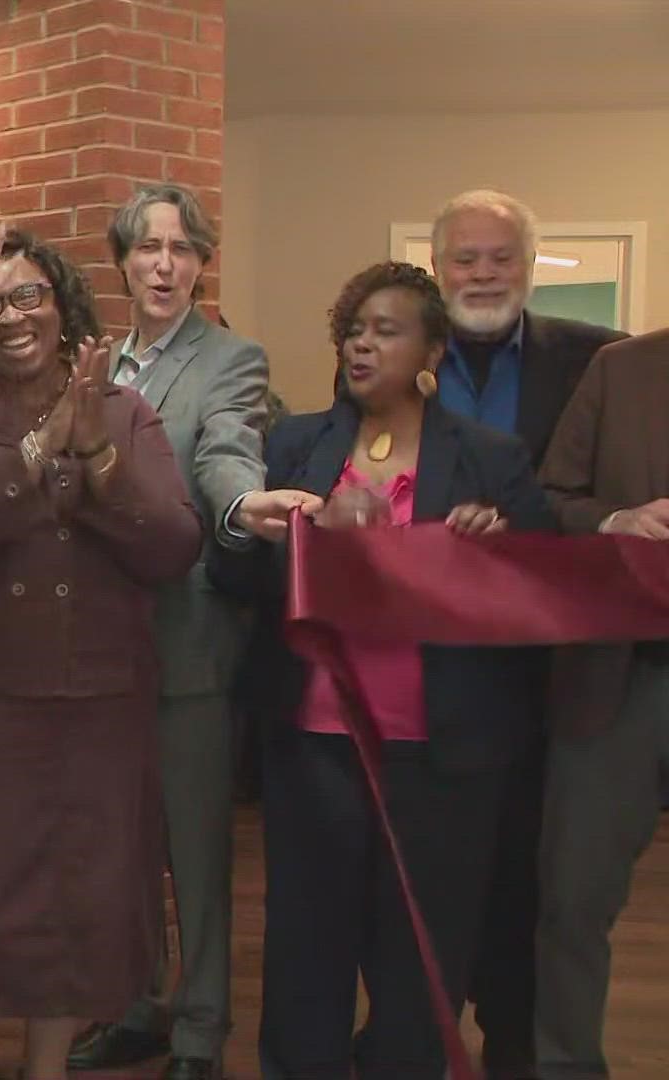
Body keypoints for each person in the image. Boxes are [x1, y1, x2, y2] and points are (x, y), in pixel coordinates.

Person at [214, 261, 556, 1079]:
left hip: (443, 751)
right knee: (308, 942)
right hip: (315, 743)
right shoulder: (296, 444)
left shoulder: (489, 458)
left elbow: (543, 590)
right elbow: (236, 583)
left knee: (421, 946)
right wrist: (294, 535)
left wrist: (492, 549)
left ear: (431, 349)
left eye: (386, 330)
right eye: (354, 330)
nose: (363, 344)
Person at [0, 228, 201, 1080]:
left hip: (98, 708)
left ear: (64, 312)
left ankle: (47, 1070)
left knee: (78, 909)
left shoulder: (127, 412)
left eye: (31, 295)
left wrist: (97, 455)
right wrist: (32, 455)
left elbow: (173, 548)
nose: (14, 315)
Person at [427, 190, 627, 1080]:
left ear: (529, 264)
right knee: (440, 867)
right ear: (438, 269)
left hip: (558, 665)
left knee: (538, 875)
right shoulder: (398, 351)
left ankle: (516, 1043)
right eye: (464, 259)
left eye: (499, 257)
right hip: (434, 661)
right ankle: (423, 1030)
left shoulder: (598, 361)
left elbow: (597, 496)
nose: (481, 274)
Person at [69, 184, 267, 1080]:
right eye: (149, 248)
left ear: (200, 264)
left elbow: (226, 450)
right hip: (101, 649)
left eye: (183, 249)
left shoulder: (230, 360)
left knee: (194, 856)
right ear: (122, 261)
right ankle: (141, 1006)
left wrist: (241, 505)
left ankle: (199, 1034)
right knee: (124, 847)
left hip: (187, 646)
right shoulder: (98, 362)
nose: (165, 264)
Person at [533, 329, 669, 1079]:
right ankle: (565, 1065)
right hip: (619, 675)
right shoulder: (620, 370)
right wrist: (619, 522)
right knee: (574, 899)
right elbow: (552, 498)